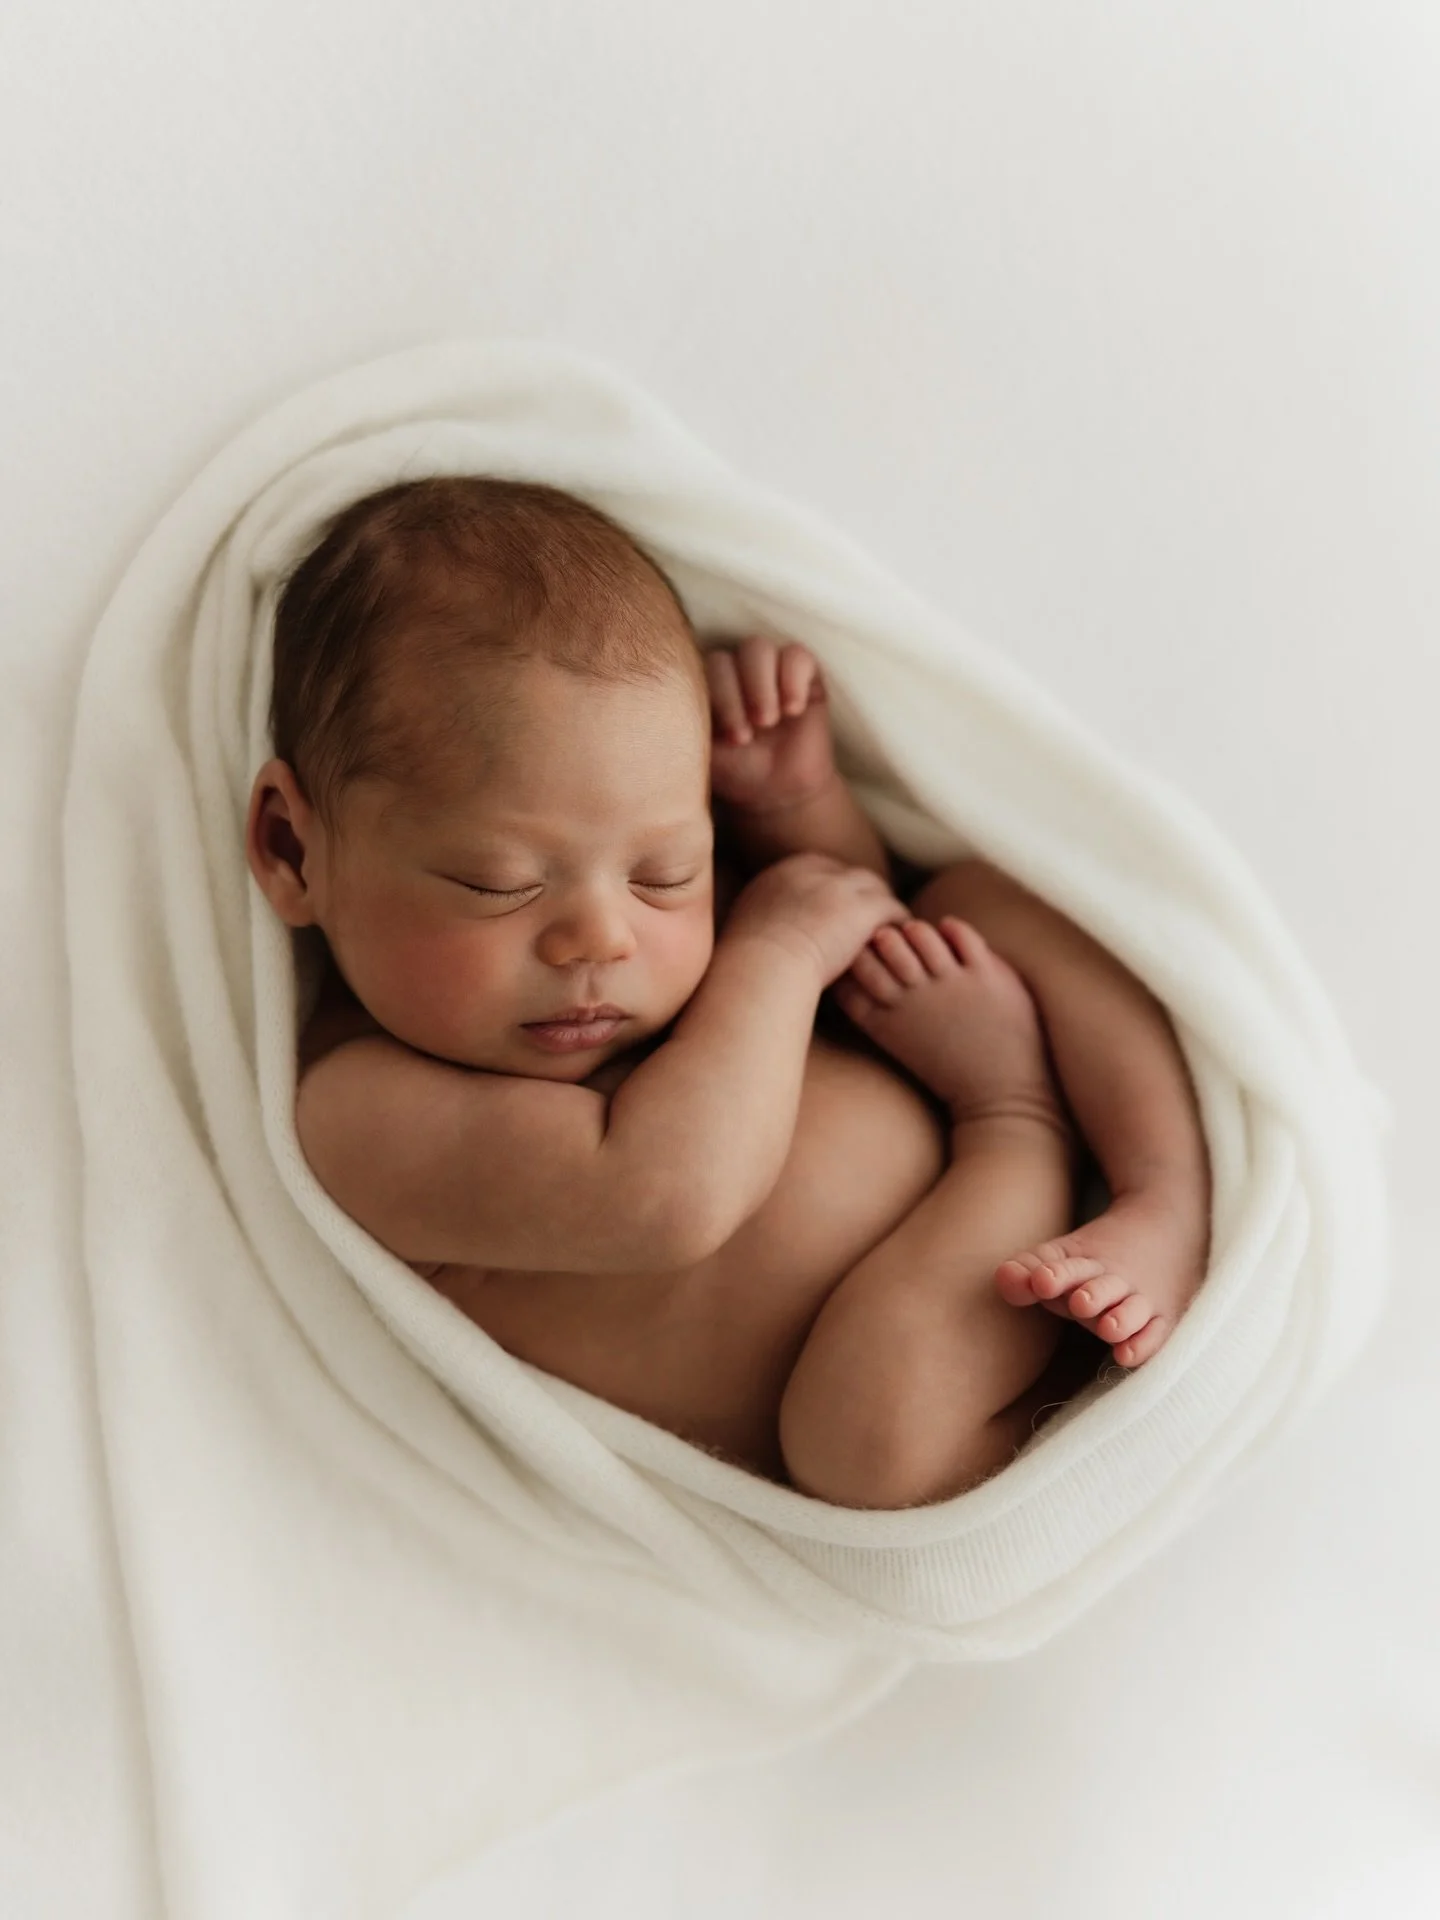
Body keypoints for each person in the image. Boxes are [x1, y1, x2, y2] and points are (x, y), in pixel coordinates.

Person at [245, 477, 1211, 1508]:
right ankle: (1030, 1127)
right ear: (293, 848)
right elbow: (663, 1196)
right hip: (933, 1337)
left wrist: (798, 810)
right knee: (862, 1444)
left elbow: (852, 903)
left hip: (969, 1090)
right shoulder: (359, 1112)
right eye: (500, 885)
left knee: (978, 899)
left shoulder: (715, 931)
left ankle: (1165, 1195)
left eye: (665, 872)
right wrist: (799, 968)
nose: (603, 939)